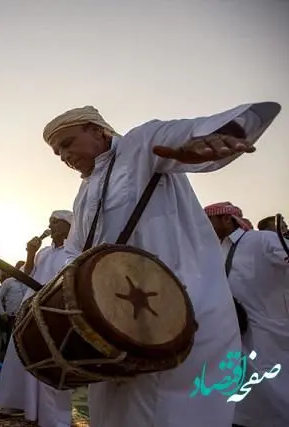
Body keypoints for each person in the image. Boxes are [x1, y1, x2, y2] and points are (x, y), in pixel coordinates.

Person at [42, 102, 281, 427]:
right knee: (116, 413)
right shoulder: (83, 194)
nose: (64, 156)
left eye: (67, 143)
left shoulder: (137, 146)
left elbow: (183, 138)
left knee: (170, 413)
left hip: (183, 311)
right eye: (57, 153)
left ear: (96, 130)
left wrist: (215, 139)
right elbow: (74, 253)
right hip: (117, 325)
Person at [204, 202, 289, 427]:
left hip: (268, 331)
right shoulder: (216, 250)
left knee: (275, 389)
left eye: (209, 220)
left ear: (226, 219)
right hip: (235, 333)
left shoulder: (260, 240)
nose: (206, 226)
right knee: (243, 396)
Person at [0, 210, 74, 426]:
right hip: (31, 306)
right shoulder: (44, 252)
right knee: (19, 353)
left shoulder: (74, 252)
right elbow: (27, 275)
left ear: (69, 226)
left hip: (56, 310)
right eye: (50, 222)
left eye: (56, 222)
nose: (52, 225)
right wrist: (31, 252)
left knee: (51, 358)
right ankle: (16, 402)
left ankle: (52, 415)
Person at [0, 260, 26, 360]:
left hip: (26, 317)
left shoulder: (30, 282)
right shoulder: (9, 282)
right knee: (10, 343)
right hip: (11, 317)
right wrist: (2, 313)